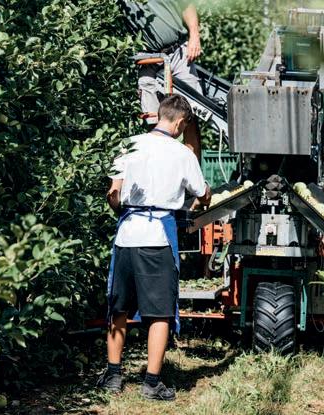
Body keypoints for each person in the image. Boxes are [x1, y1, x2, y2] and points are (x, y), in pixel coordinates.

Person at [97, 95, 211, 400]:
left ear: (160, 115)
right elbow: (202, 193)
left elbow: (113, 194)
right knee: (160, 313)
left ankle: (113, 375)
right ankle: (151, 382)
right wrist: (203, 199)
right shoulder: (182, 153)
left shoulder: (128, 144)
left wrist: (127, 208)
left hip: (126, 236)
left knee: (119, 307)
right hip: (157, 238)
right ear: (181, 122)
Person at [118, 0, 203, 160]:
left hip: (177, 52)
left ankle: (193, 171)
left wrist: (194, 35)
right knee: (153, 121)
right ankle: (160, 168)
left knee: (189, 116)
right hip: (146, 59)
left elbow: (186, 4)